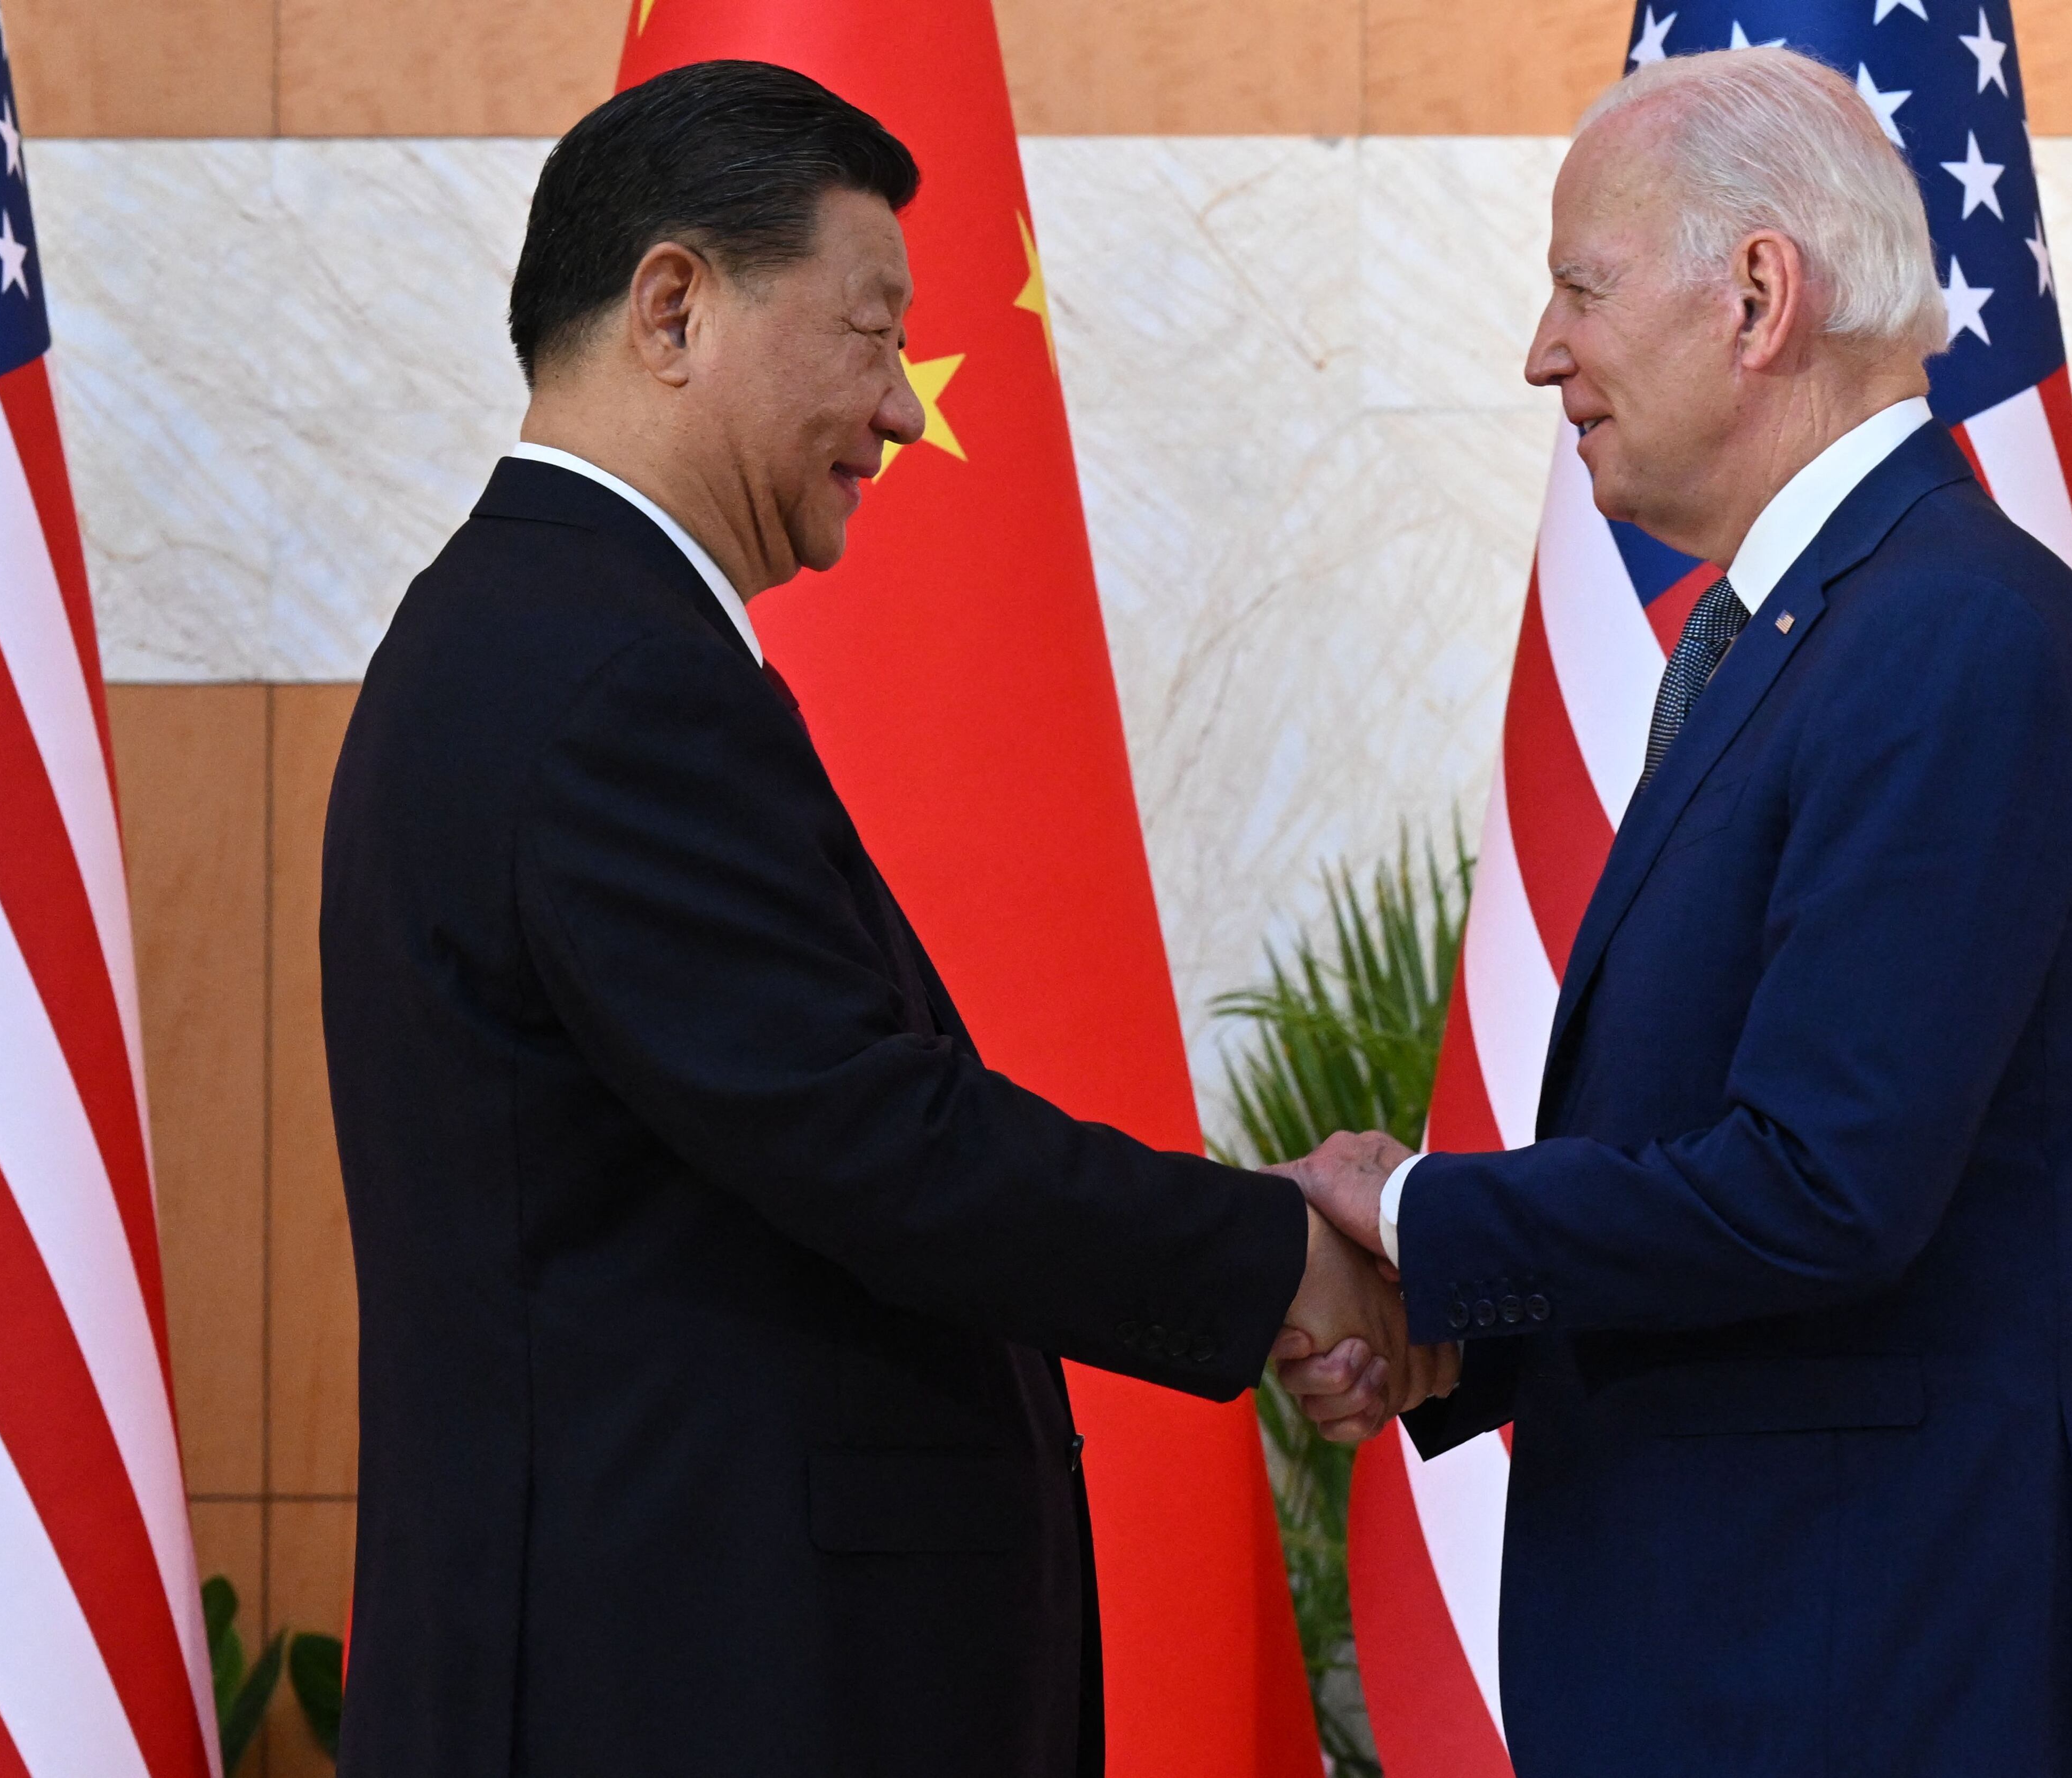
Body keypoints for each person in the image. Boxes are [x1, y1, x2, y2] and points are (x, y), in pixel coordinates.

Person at [318, 60, 1443, 1778]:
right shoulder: (607, 676)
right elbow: (876, 1139)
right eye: (869, 334)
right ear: (676, 308)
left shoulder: (537, 635)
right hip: (680, 1694)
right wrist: (1277, 1253)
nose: (910, 410)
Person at [1279, 47, 2072, 1777]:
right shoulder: (1807, 635)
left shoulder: (1953, 641)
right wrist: (1454, 1330)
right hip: (1771, 1657)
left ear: (1758, 294)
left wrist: (1415, 1221)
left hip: (1881, 1676)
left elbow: (1826, 1188)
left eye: (1580, 288)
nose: (1545, 352)